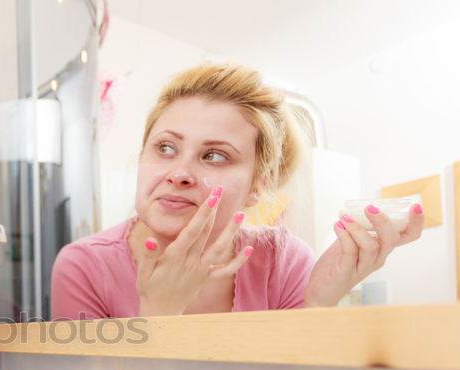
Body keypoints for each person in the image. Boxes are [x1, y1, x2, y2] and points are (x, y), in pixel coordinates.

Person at [51, 63, 424, 320]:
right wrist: (159, 316)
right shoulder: (84, 266)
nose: (179, 173)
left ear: (256, 188)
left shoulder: (282, 261)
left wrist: (318, 304)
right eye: (165, 148)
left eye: (214, 155)